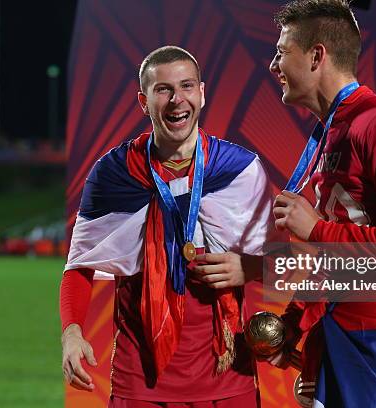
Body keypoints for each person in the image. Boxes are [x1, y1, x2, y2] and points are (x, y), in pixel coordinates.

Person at [60, 46, 276, 407]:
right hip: (141, 381)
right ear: (143, 102)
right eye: (164, 90)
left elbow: (283, 264)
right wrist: (71, 333)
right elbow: (79, 266)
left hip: (227, 377)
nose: (177, 100)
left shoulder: (239, 170)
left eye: (187, 86)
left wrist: (250, 267)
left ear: (202, 93)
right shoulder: (114, 175)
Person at [264, 1, 376, 407]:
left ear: (317, 56)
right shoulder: (333, 133)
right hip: (342, 329)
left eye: (281, 52)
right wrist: (297, 319)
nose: (273, 65)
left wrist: (317, 229)